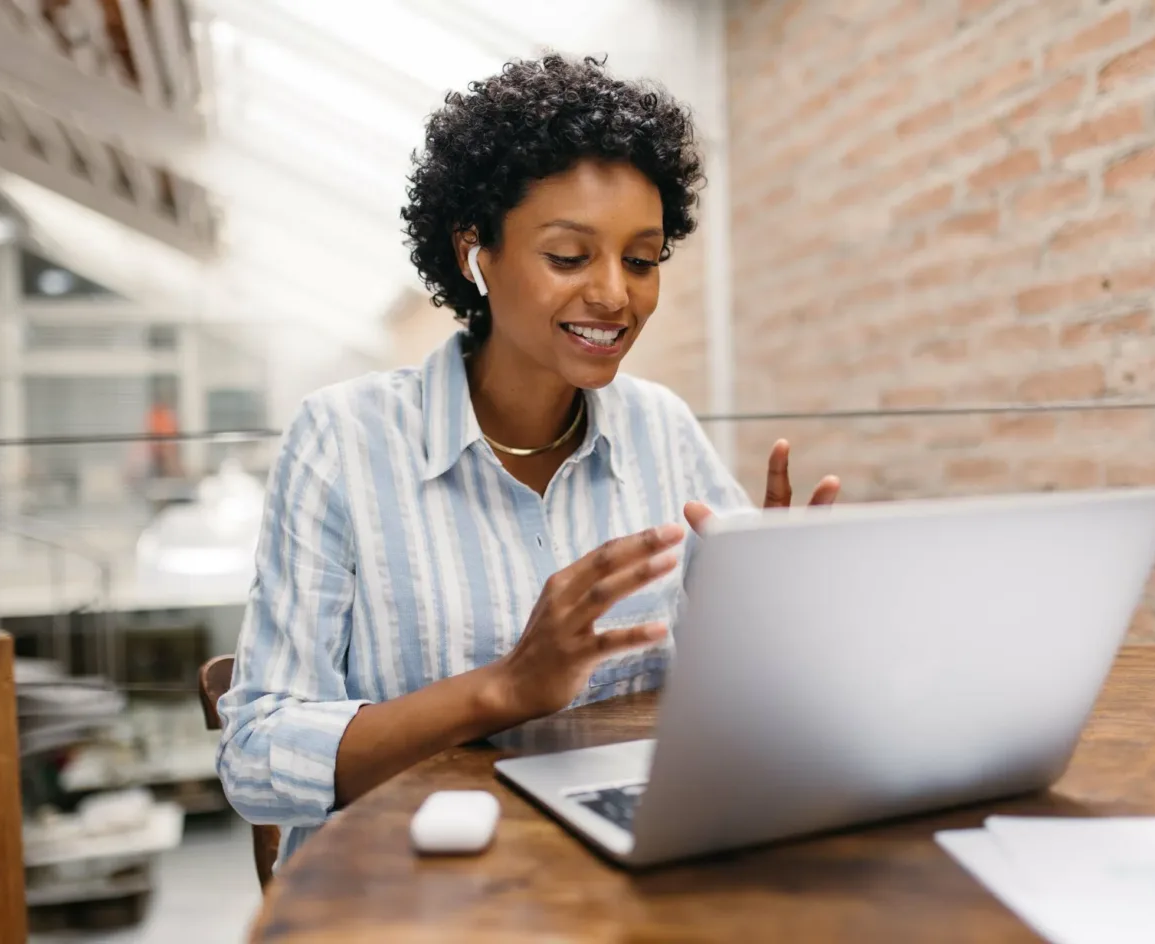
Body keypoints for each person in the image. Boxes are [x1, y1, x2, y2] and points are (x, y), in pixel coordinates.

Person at [216, 54, 840, 866]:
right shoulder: (344, 438)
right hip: (414, 890)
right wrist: (500, 689)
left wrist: (775, 610)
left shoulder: (662, 428)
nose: (616, 295)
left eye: (642, 260)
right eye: (570, 257)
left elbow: (725, 686)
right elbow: (256, 758)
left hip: (626, 867)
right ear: (477, 254)